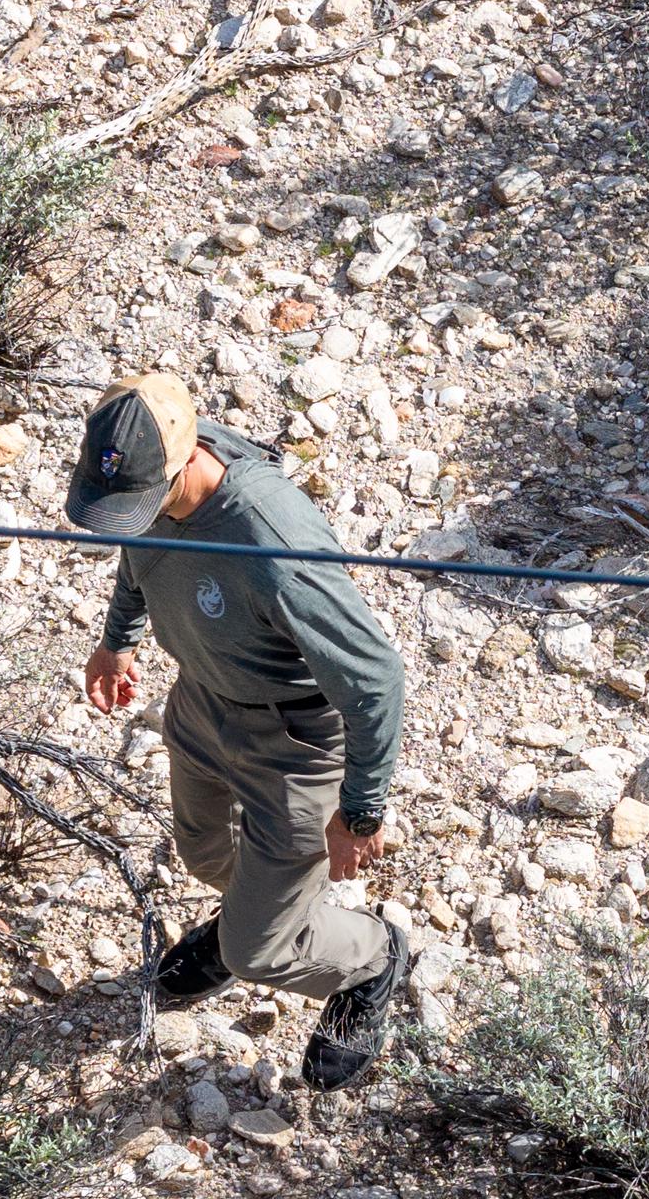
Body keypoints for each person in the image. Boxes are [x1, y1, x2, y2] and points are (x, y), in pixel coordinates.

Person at [68, 372, 406, 1091]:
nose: (133, 516)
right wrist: (117, 639)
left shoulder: (273, 539)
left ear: (186, 462)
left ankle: (372, 957)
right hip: (200, 701)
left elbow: (375, 677)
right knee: (200, 850)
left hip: (295, 742)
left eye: (142, 501)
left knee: (261, 954)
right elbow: (139, 550)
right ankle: (251, 916)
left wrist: (362, 809)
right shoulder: (152, 477)